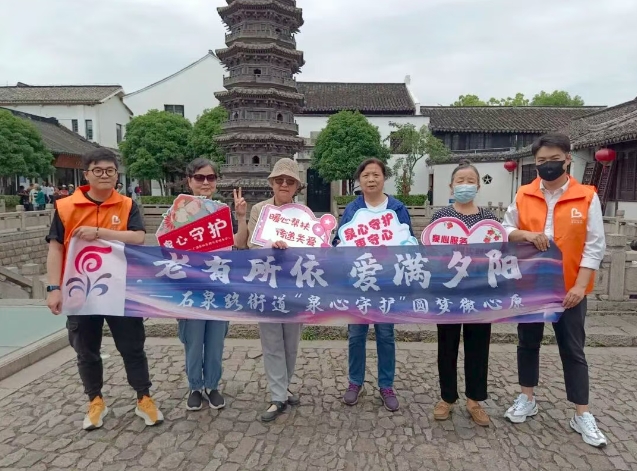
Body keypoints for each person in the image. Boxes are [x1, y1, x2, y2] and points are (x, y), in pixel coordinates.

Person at [45, 148, 163, 431]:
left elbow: (138, 237)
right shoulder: (66, 207)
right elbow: (55, 248)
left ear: (116, 175)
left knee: (132, 347)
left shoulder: (127, 205)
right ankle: (95, 400)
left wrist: (99, 233)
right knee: (86, 350)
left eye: (110, 170)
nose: (104, 175)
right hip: (80, 292)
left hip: (121, 291)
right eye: (97, 170)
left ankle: (143, 397)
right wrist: (53, 288)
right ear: (86, 174)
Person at [502, 133, 607, 447]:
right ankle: (527, 397)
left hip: (570, 289)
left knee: (573, 350)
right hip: (531, 286)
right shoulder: (524, 194)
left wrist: (579, 286)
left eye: (554, 160)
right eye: (541, 161)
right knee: (527, 343)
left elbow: (594, 245)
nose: (547, 165)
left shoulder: (586, 196)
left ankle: (581, 413)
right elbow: (505, 229)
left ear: (568, 159)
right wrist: (526, 234)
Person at [332, 158, 414, 412]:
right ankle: (355, 382)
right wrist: (340, 248)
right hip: (358, 282)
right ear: (359, 180)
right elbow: (338, 240)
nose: (371, 179)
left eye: (376, 174)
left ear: (384, 178)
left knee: (386, 335)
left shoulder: (397, 208)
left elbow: (409, 240)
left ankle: (386, 385)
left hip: (387, 283)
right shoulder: (353, 209)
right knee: (356, 335)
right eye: (366, 175)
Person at [235, 158, 303, 422]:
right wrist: (270, 246)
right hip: (267, 286)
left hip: (295, 288)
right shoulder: (260, 210)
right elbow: (250, 245)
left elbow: (314, 249)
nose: (284, 184)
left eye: (289, 181)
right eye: (279, 180)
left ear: (296, 186)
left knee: (291, 344)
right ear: (272, 183)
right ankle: (277, 396)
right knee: (272, 342)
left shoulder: (304, 214)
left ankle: (283, 386)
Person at [178, 158, 248, 411]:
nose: (205, 182)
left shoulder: (222, 212)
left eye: (211, 177)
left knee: (216, 340)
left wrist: (241, 216)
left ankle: (212, 385)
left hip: (218, 286)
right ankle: (195, 386)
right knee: (194, 340)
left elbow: (239, 243)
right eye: (200, 177)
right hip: (191, 288)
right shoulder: (179, 212)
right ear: (190, 181)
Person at [429, 160, 495, 427]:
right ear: (451, 186)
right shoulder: (441, 218)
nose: (465, 185)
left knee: (478, 347)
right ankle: (447, 397)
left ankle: (474, 400)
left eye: (470, 181)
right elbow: (430, 254)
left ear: (478, 186)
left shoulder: (489, 220)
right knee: (447, 346)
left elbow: (499, 254)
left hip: (479, 294)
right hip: (448, 293)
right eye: (460, 181)